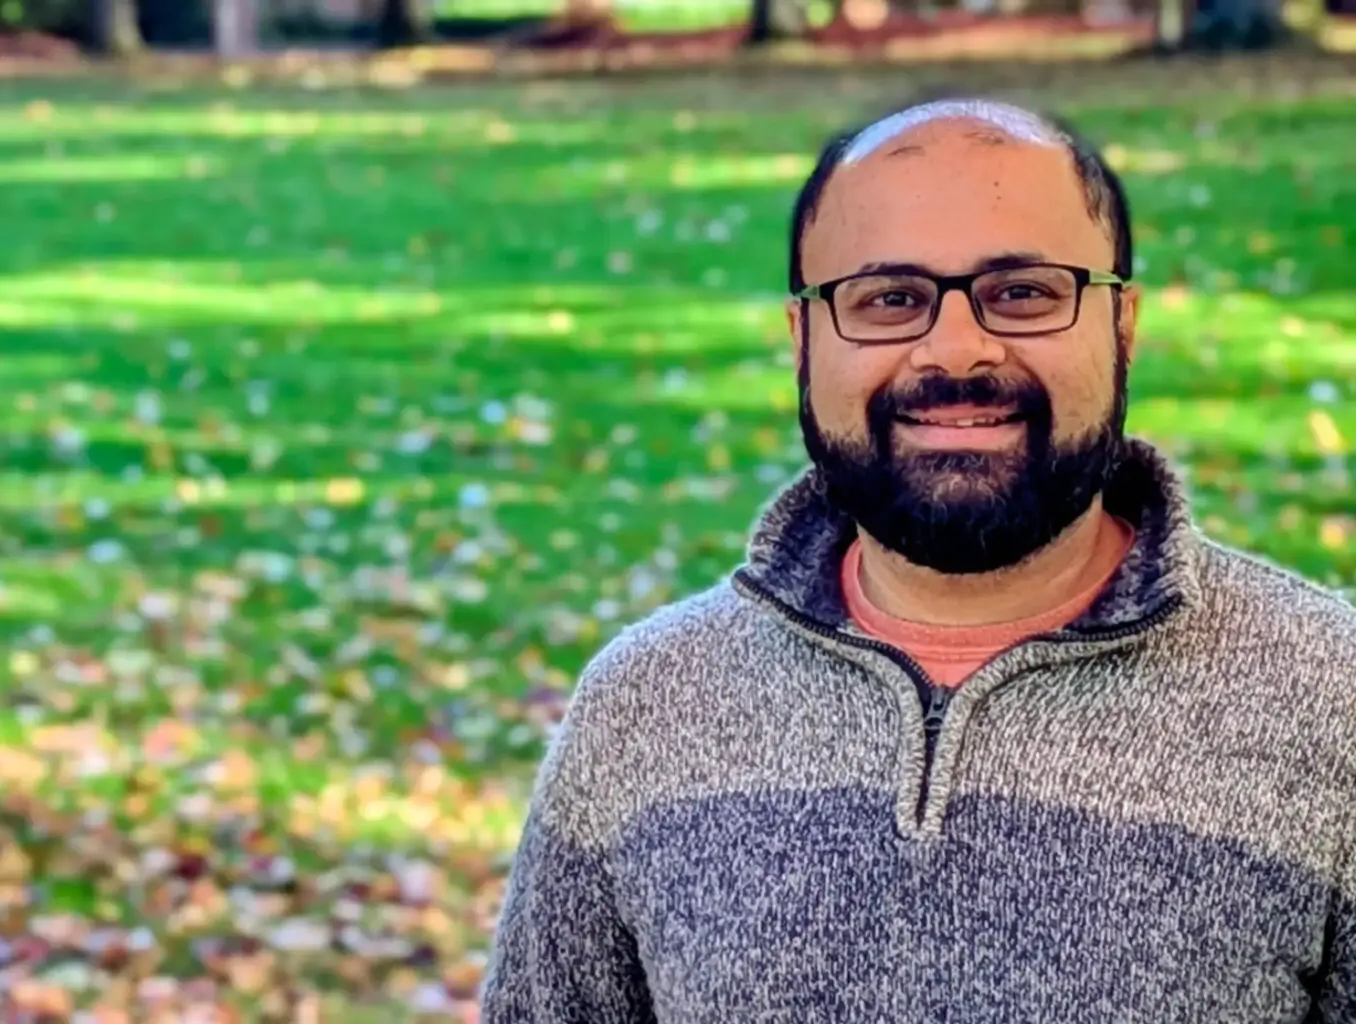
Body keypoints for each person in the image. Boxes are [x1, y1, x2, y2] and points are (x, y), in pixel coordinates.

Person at [478, 95, 1356, 1022]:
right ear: (803, 341)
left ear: (1123, 326)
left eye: (1024, 292)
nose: (957, 352)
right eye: (889, 300)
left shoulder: (1331, 697)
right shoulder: (644, 708)